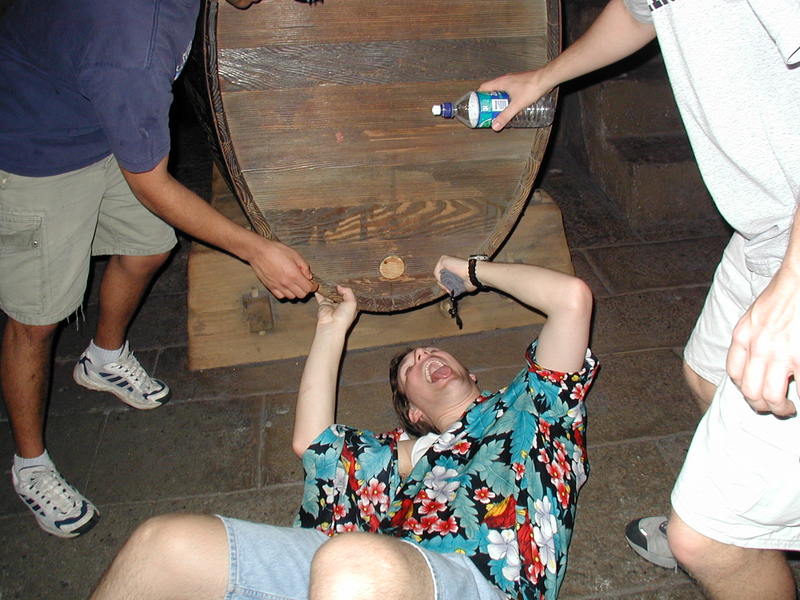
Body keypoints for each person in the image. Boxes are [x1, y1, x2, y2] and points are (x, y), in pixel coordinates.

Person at [480, 0, 800, 597]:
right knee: (708, 377)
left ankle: (732, 541)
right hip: (768, 224)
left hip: (795, 246)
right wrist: (543, 78)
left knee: (706, 540)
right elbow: (641, 11)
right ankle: (767, 518)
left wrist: (793, 287)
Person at [89, 255, 598, 600]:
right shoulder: (411, 455)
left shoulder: (534, 405)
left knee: (353, 562)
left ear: (475, 376)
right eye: (410, 367)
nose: (425, 354)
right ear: (413, 415)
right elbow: (313, 443)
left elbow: (571, 298)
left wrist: (471, 270)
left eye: (431, 350)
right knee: (163, 542)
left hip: (485, 581)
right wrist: (331, 327)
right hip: (359, 571)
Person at [0, 0, 318, 539]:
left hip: (100, 115)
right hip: (33, 144)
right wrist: (255, 249)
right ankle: (30, 464)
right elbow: (152, 185)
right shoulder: (132, 44)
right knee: (37, 318)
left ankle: (103, 358)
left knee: (148, 245)